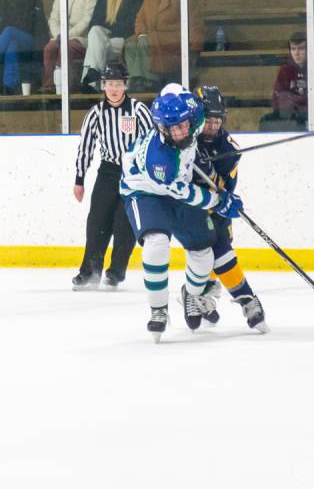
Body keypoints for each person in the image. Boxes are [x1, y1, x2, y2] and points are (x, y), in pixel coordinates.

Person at [120, 84, 247, 342]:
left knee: (203, 252)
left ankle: (192, 294)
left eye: (183, 125)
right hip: (145, 192)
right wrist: (218, 201)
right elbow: (184, 192)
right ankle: (158, 310)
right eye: (173, 128)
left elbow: (209, 122)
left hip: (180, 185)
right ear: (162, 128)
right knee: (156, 242)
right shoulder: (159, 161)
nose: (180, 132)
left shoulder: (196, 118)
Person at [190, 85, 268, 332]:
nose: (213, 126)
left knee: (221, 248)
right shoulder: (184, 136)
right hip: (186, 207)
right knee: (212, 249)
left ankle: (208, 293)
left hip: (214, 204)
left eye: (217, 120)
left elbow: (226, 187)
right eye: (208, 120)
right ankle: (229, 295)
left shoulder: (228, 149)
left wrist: (213, 177)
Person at [72, 63, 154, 290]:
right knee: (96, 222)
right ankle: (90, 271)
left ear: (125, 85)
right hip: (107, 173)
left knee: (124, 225)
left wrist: (150, 177)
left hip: (134, 175)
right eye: (109, 84)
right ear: (104, 86)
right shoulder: (96, 113)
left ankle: (115, 273)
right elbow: (86, 147)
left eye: (118, 84)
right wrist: (79, 179)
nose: (114, 88)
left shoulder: (138, 110)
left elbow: (152, 142)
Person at [125, 0, 201, 92]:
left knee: (146, 41)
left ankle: (149, 80)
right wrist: (141, 33)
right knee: (130, 44)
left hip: (173, 38)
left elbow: (195, 21)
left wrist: (195, 46)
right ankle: (137, 78)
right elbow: (140, 18)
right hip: (151, 35)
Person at [80, 0, 143, 93]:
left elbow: (131, 22)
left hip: (122, 39)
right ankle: (93, 76)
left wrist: (109, 32)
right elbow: (94, 22)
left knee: (95, 46)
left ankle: (90, 79)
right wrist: (105, 33)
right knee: (95, 31)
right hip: (105, 40)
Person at [41, 0, 98, 93]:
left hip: (80, 38)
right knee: (49, 48)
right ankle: (49, 86)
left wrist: (67, 36)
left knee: (66, 48)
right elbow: (53, 19)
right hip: (60, 37)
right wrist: (59, 36)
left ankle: (65, 88)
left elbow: (87, 20)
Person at [259, 31, 314, 132]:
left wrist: (293, 99)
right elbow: (278, 99)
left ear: (309, 49)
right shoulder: (285, 70)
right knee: (266, 121)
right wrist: (298, 102)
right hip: (290, 114)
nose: (296, 53)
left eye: (301, 49)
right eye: (293, 49)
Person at [0, 0, 47, 94]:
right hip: (14, 41)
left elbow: (39, 26)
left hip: (29, 40)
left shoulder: (31, 1)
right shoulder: (5, 4)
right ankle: (10, 85)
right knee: (12, 45)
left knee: (10, 31)